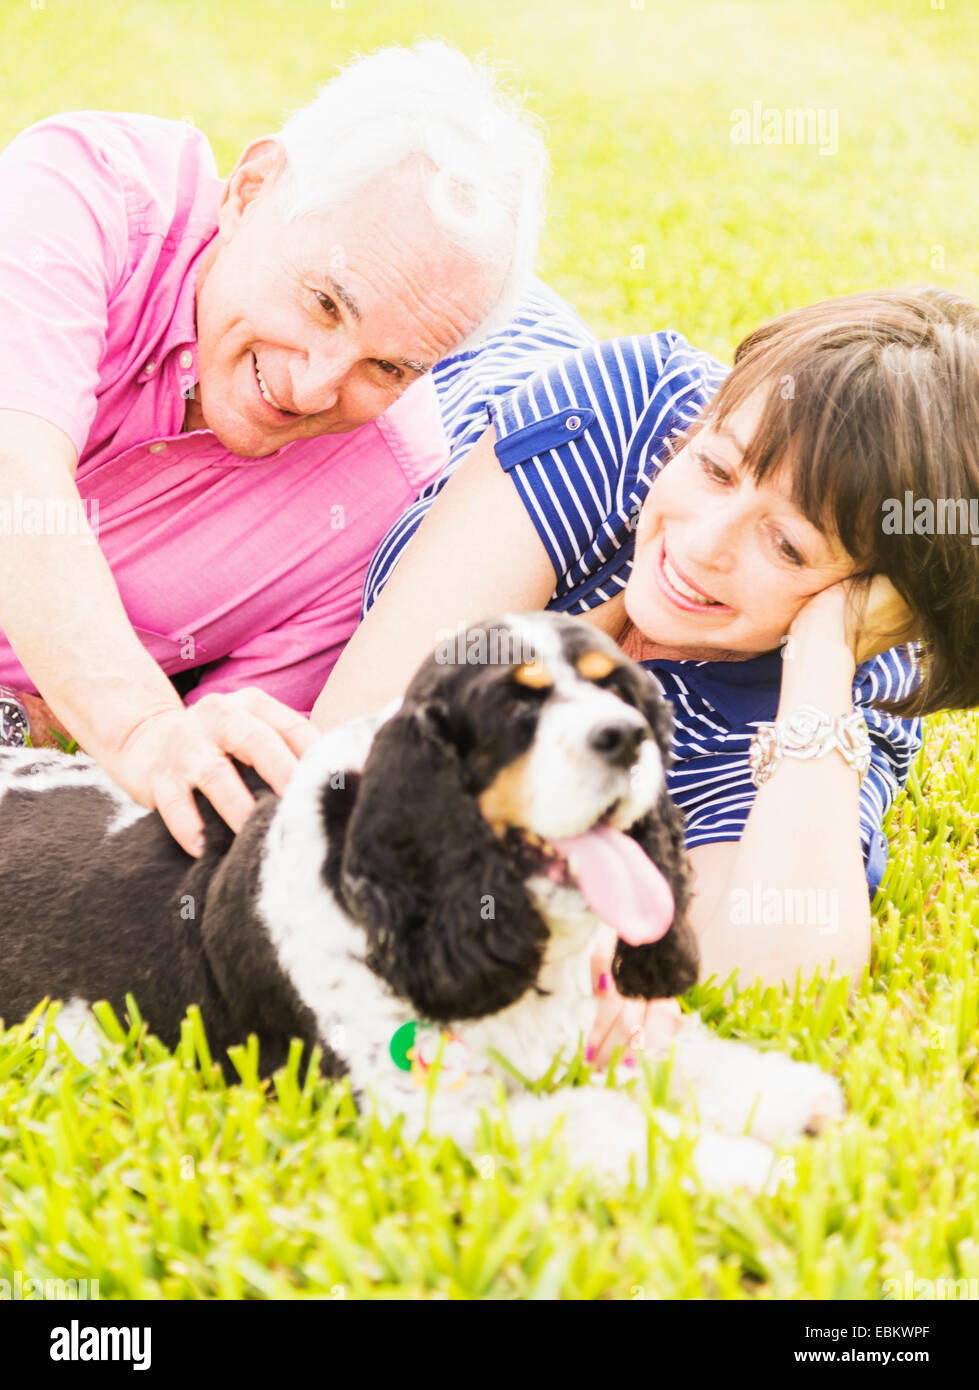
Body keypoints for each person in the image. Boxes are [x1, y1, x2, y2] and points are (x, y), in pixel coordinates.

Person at [312, 288, 979, 1062]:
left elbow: (776, 986)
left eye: (788, 547)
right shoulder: (620, 418)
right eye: (717, 468)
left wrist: (823, 655)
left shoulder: (840, 695)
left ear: (879, 598)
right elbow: (360, 752)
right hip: (462, 351)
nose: (701, 545)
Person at [0, 40, 547, 855]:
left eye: (387, 366)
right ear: (251, 190)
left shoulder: (387, 497)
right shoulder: (90, 187)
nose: (314, 388)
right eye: (325, 303)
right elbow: (17, 469)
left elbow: (212, 789)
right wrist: (141, 725)